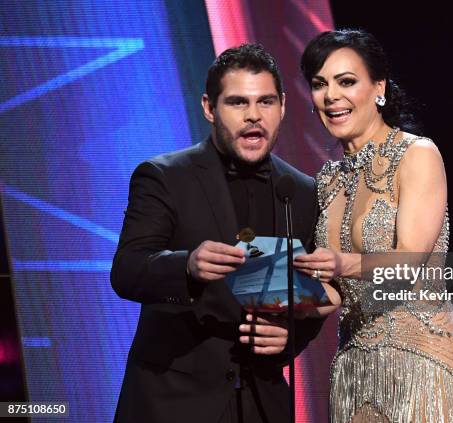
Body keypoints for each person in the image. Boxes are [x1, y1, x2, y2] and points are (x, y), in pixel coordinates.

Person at [111, 43, 331, 423]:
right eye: (237, 103)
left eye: (265, 102)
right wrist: (187, 267)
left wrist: (289, 339)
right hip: (172, 402)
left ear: (282, 105)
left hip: (262, 404)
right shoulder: (164, 176)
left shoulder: (302, 191)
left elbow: (312, 291)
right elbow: (128, 270)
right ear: (209, 108)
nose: (254, 116)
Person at [294, 29, 453, 422]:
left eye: (347, 82)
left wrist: (340, 264)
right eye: (319, 84)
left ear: (378, 87)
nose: (331, 96)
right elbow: (334, 294)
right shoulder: (328, 180)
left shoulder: (417, 154)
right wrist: (275, 292)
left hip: (422, 366)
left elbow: (408, 261)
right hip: (353, 372)